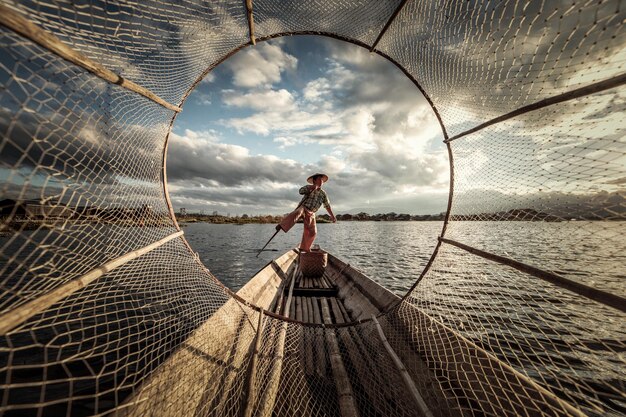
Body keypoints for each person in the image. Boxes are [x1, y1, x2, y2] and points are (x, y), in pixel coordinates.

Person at [276, 173, 336, 252]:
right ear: (314, 181)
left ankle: (305, 248)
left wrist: (332, 216)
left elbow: (327, 205)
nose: (321, 181)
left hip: (312, 213)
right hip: (304, 208)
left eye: (322, 180)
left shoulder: (323, 194)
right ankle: (282, 225)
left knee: (313, 232)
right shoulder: (309, 188)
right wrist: (311, 187)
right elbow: (300, 191)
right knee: (297, 213)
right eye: (319, 179)